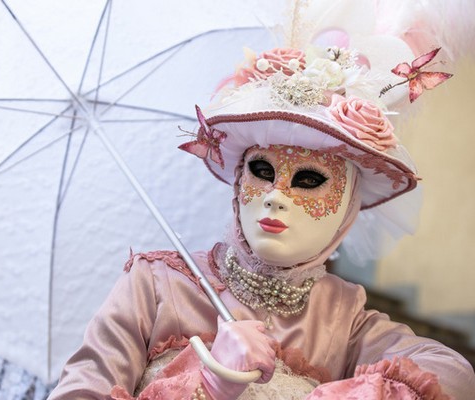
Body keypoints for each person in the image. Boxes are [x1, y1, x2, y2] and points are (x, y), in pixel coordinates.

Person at [48, 34, 475, 399]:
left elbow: (453, 373)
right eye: (263, 172)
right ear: (237, 183)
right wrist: (208, 382)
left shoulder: (344, 316)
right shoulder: (155, 285)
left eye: (309, 180)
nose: (275, 197)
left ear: (347, 206)